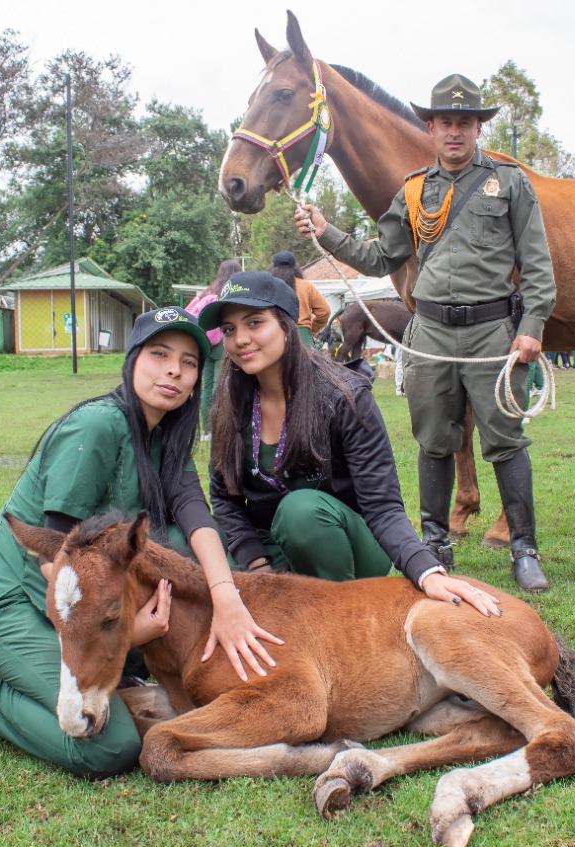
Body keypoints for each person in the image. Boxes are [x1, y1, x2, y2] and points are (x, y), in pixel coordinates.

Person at [0, 309, 283, 776]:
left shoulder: (167, 437)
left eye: (189, 361)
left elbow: (199, 524)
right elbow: (56, 563)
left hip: (91, 607)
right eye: (159, 354)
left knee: (200, 557)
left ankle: (119, 668)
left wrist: (228, 595)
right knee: (107, 747)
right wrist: (130, 633)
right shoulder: (97, 427)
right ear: (133, 359)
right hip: (16, 601)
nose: (174, 370)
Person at [293, 74, 556, 592]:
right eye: (445, 122)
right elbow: (379, 255)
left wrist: (532, 325)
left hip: (491, 333)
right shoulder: (414, 191)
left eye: (465, 122)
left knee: (505, 441)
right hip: (430, 333)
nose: (455, 132)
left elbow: (539, 264)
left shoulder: (510, 183)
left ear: (478, 127)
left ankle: (524, 549)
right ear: (430, 127)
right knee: (434, 440)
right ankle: (435, 544)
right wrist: (326, 232)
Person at [200, 270, 500, 614]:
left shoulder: (344, 397)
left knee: (301, 512)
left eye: (255, 323)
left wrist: (426, 570)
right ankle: (286, 599)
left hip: (346, 541)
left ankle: (339, 614)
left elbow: (383, 505)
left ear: (287, 325)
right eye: (229, 329)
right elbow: (224, 498)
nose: (240, 339)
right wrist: (258, 566)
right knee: (197, 553)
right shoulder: (230, 402)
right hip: (270, 548)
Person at [186, 260, 241, 438]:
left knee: (206, 387)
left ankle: (206, 431)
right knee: (220, 385)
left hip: (204, 344)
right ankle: (219, 427)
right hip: (220, 345)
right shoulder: (228, 293)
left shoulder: (206, 293)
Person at [268, 250, 331, 347]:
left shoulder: (269, 286)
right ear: (295, 268)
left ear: (273, 268)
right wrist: (312, 328)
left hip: (275, 335)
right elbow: (324, 311)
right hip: (303, 337)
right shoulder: (305, 285)